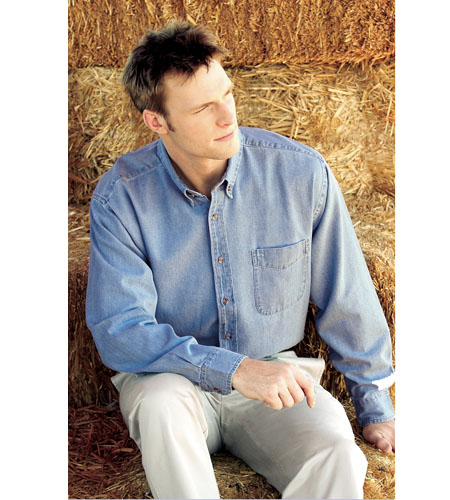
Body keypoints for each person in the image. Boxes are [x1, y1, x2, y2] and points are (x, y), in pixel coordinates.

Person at [86, 21, 395, 499]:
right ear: (156, 121)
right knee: (160, 406)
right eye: (203, 108)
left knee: (338, 454)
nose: (227, 115)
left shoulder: (301, 174)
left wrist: (375, 407)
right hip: (170, 380)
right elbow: (120, 330)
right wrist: (233, 369)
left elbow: (347, 295)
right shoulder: (120, 198)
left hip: (275, 379)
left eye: (227, 94)